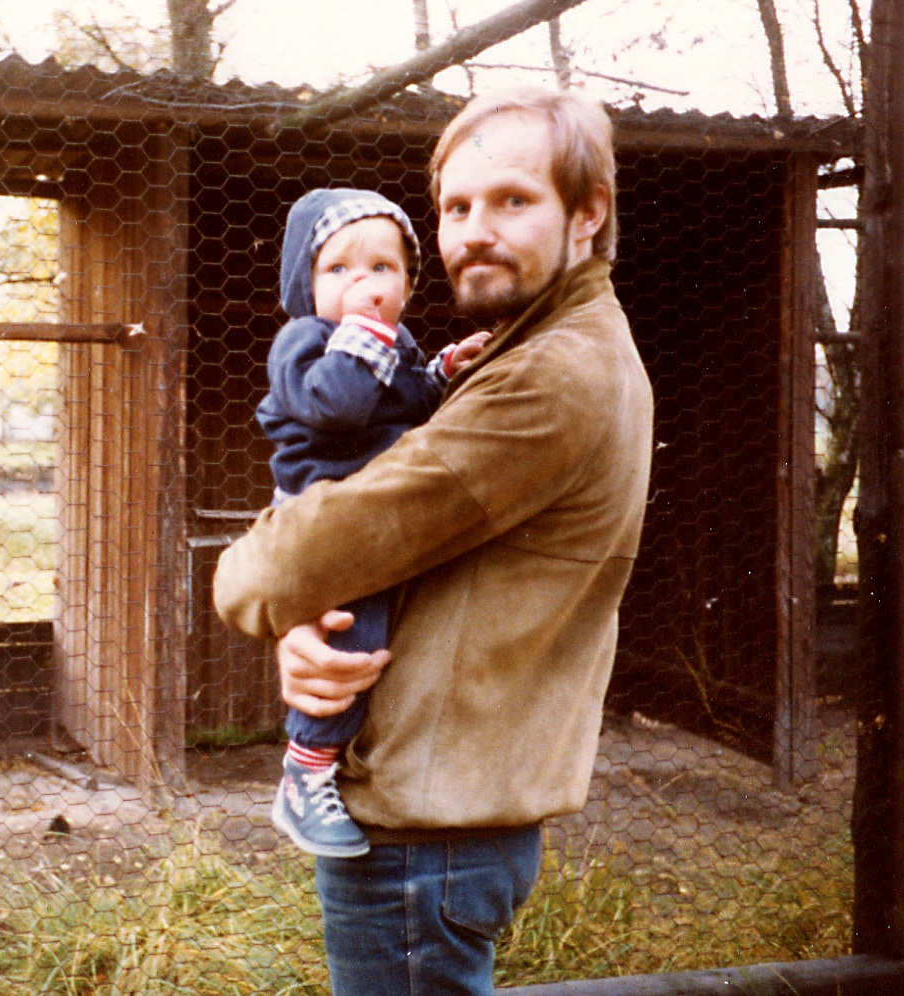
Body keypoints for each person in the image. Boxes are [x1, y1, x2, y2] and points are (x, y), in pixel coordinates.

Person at [213, 86, 654, 996]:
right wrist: (310, 624)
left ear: (588, 214)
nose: (474, 233)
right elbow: (383, 555)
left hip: (424, 838)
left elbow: (292, 560)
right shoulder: (536, 347)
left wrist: (260, 585)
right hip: (437, 817)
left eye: (512, 200)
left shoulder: (551, 377)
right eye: (456, 208)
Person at [258, 187, 487, 858]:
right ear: (306, 286)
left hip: (373, 512)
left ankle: (347, 759)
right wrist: (362, 335)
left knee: (385, 636)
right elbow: (338, 407)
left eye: (383, 268)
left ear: (408, 284)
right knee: (347, 640)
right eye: (338, 269)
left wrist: (442, 369)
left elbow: (409, 399)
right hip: (323, 512)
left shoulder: (393, 340)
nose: (363, 283)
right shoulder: (304, 340)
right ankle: (305, 773)